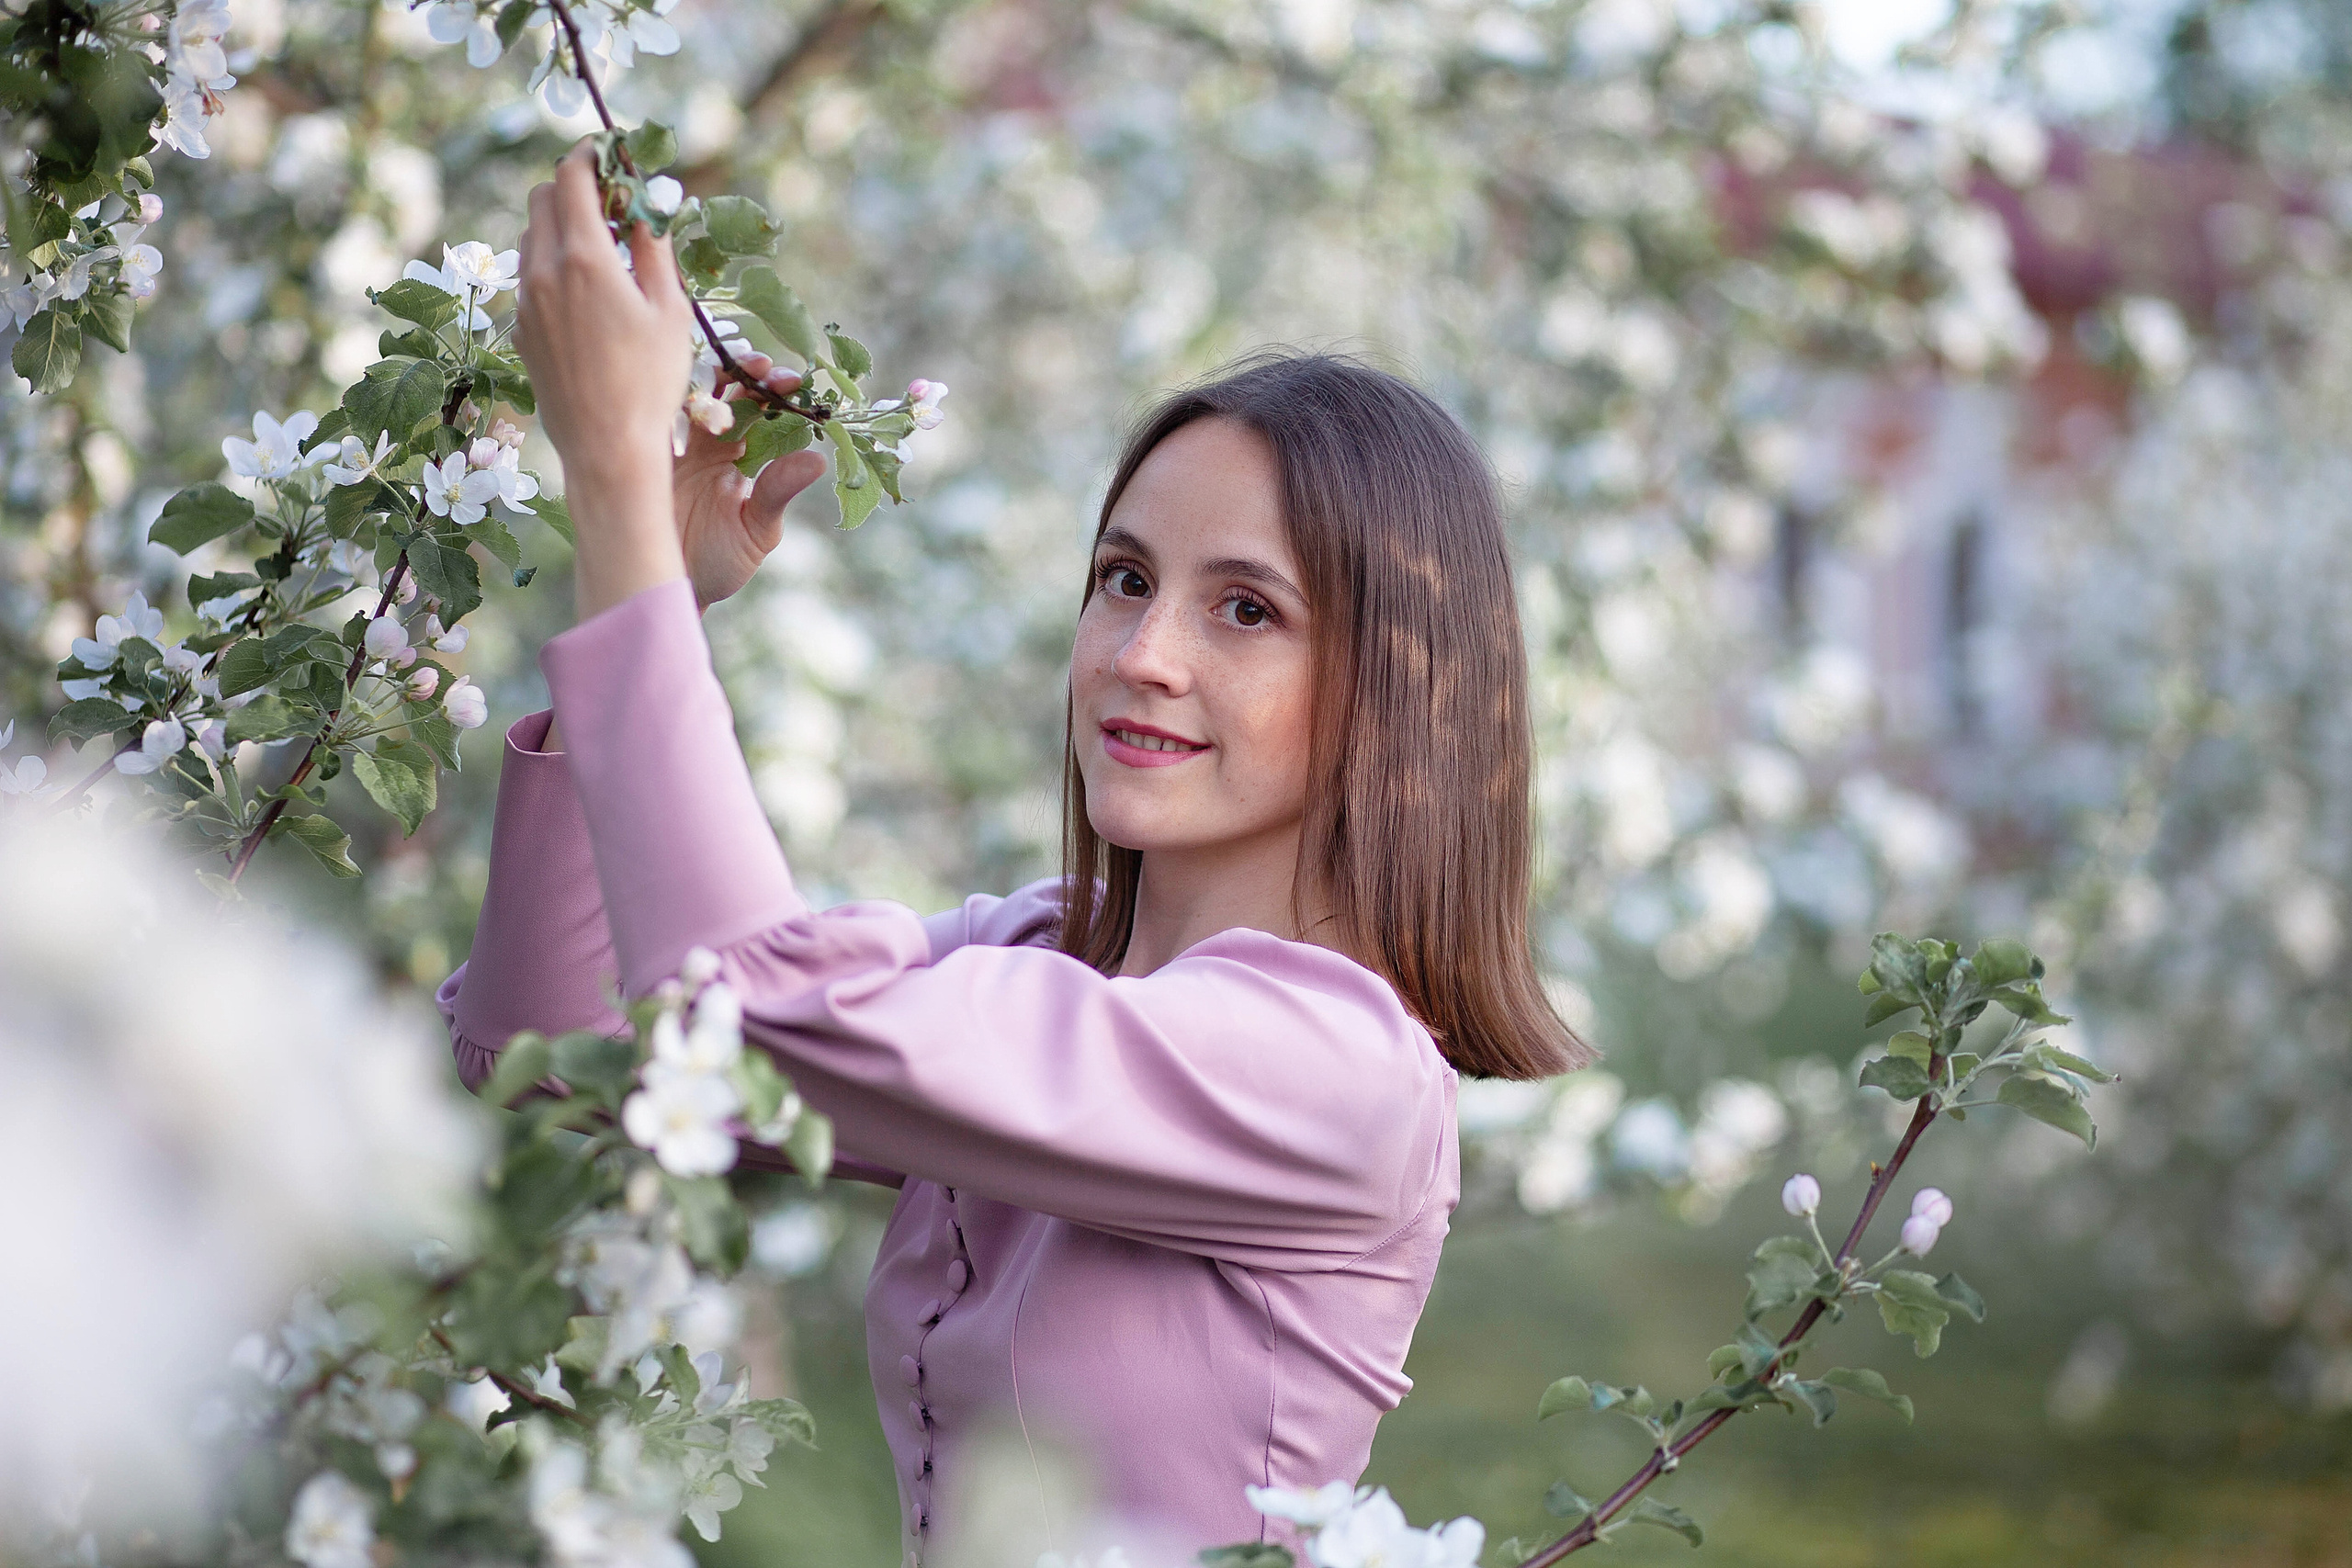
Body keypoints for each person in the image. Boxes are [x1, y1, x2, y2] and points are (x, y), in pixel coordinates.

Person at [439, 146, 1589, 1563]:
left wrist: (614, 486)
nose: (1142, 656)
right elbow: (554, 1062)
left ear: (1393, 689)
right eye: (1126, 580)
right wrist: (654, 576)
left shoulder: (1332, 1071)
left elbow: (756, 1004)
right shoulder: (1031, 957)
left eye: (1245, 611)